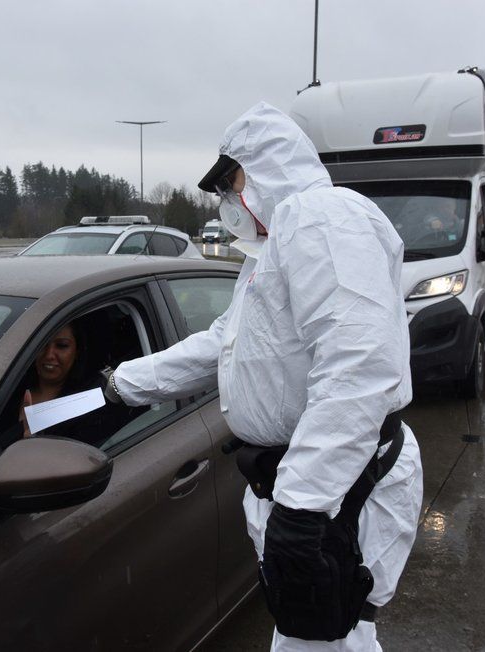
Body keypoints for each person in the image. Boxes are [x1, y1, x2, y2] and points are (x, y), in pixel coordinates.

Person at [104, 102, 423, 651]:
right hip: (311, 486)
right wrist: (126, 382)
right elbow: (224, 343)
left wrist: (303, 507)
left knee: (328, 639)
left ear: (265, 166)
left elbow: (360, 365)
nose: (229, 200)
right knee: (322, 637)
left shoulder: (322, 218)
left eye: (232, 182)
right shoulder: (272, 251)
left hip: (340, 489)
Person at [12, 322, 138, 447]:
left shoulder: (86, 406)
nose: (49, 354)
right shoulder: (10, 388)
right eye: (42, 344)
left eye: (61, 345)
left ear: (77, 351)